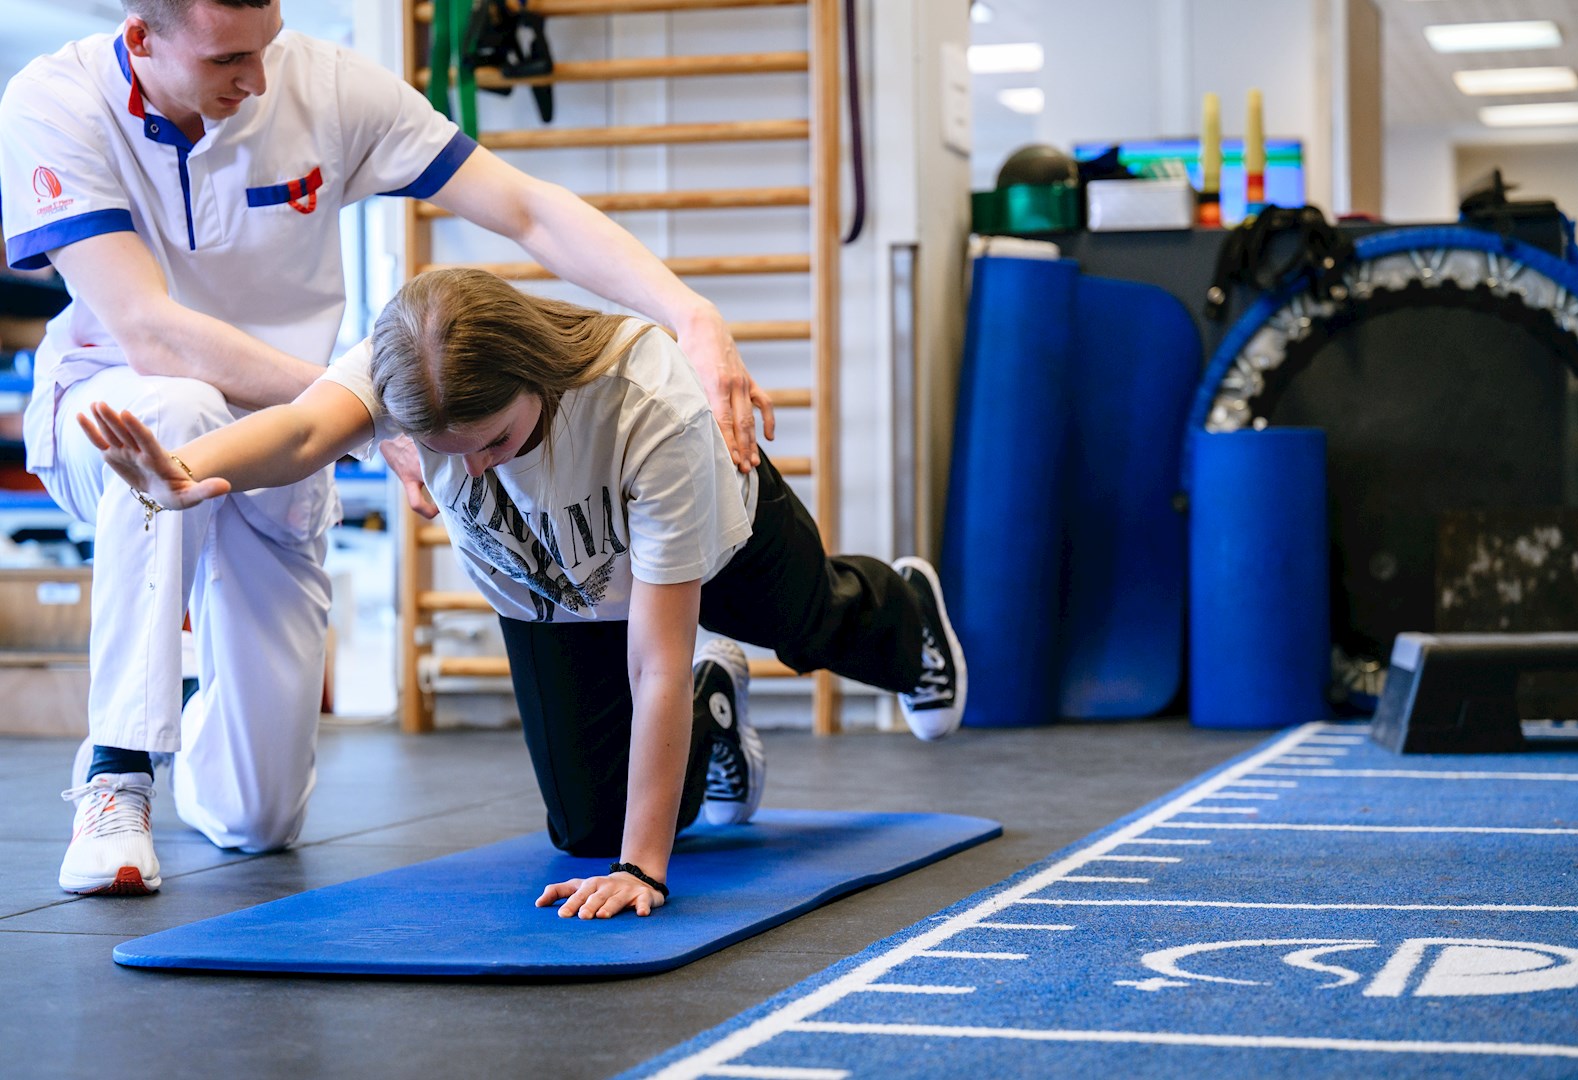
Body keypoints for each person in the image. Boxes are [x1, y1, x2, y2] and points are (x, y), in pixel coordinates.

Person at [0, 0, 773, 897]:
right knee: (178, 409)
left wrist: (690, 311)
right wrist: (364, 416)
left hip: (293, 448)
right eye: (226, 60)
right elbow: (150, 334)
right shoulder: (54, 101)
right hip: (117, 423)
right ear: (141, 40)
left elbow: (524, 209)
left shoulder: (323, 88)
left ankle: (193, 714)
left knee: (258, 820)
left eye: (269, 46)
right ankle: (118, 773)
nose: (256, 80)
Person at [82, 266, 968, 919]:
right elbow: (307, 426)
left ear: (535, 376)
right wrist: (183, 470)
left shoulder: (646, 402)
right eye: (448, 450)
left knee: (809, 625)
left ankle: (906, 612)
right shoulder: (410, 356)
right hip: (557, 591)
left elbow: (657, 663)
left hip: (722, 544)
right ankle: (717, 714)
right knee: (586, 832)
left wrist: (647, 872)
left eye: (495, 443)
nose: (470, 473)